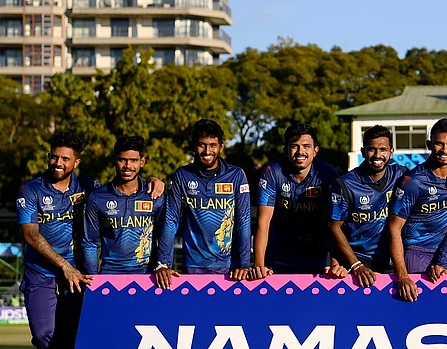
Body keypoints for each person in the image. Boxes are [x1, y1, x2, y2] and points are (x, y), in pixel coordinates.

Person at [16, 131, 97, 349]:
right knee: (44, 338)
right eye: (54, 156)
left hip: (78, 278)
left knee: (73, 341)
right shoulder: (31, 189)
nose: (58, 162)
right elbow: (30, 235)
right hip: (42, 275)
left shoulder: (89, 188)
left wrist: (154, 183)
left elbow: (123, 191)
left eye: (65, 158)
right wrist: (64, 266)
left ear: (77, 160)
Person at [155, 119, 252, 288]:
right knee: (193, 314)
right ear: (194, 146)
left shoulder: (236, 175)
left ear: (221, 146)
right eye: (202, 145)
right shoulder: (182, 175)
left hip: (230, 268)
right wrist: (163, 264)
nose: (207, 151)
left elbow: (243, 220)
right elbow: (171, 220)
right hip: (193, 266)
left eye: (213, 145)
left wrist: (244, 263)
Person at [386, 118, 447, 301]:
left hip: (446, 253)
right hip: (416, 252)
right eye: (439, 144)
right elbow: (394, 228)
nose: (445, 150)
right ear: (429, 144)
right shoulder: (413, 181)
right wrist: (402, 276)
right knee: (420, 307)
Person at [252, 123, 342, 277]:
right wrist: (259, 265)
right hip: (278, 261)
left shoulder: (328, 173)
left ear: (315, 151)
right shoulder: (272, 172)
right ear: (285, 151)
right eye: (294, 146)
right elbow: (263, 223)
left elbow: (334, 222)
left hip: (318, 260)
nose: (300, 152)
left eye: (306, 146)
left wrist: (336, 262)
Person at [329, 125, 407, 287]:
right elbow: (334, 227)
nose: (378, 155)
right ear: (363, 151)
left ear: (391, 151)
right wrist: (356, 265)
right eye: (372, 149)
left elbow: (432, 172)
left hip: (393, 260)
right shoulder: (345, 184)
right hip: (359, 261)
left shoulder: (402, 175)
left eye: (383, 149)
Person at [82, 136, 164, 275]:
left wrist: (163, 264)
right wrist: (93, 279)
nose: (128, 166)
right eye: (122, 160)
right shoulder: (97, 197)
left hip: (147, 274)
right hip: (111, 274)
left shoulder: (154, 194)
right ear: (115, 160)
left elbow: (165, 234)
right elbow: (89, 242)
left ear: (142, 162)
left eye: (133, 160)